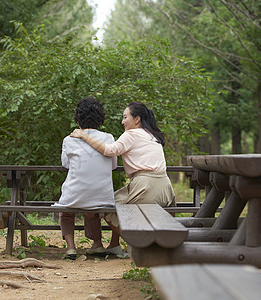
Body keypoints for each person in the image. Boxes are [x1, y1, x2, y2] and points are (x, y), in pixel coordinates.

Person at [70, 101, 175, 256]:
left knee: (106, 208)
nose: (122, 121)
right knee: (117, 201)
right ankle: (114, 244)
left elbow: (109, 150)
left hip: (145, 187)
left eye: (125, 117)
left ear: (137, 119)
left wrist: (83, 135)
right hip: (165, 188)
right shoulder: (152, 135)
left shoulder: (131, 134)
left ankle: (141, 242)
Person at [54, 96, 117, 260]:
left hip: (75, 194)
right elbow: (113, 166)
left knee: (66, 212)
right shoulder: (109, 138)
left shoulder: (69, 139)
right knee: (92, 211)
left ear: (78, 117)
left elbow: (66, 164)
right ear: (100, 118)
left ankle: (70, 248)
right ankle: (97, 244)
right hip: (103, 197)